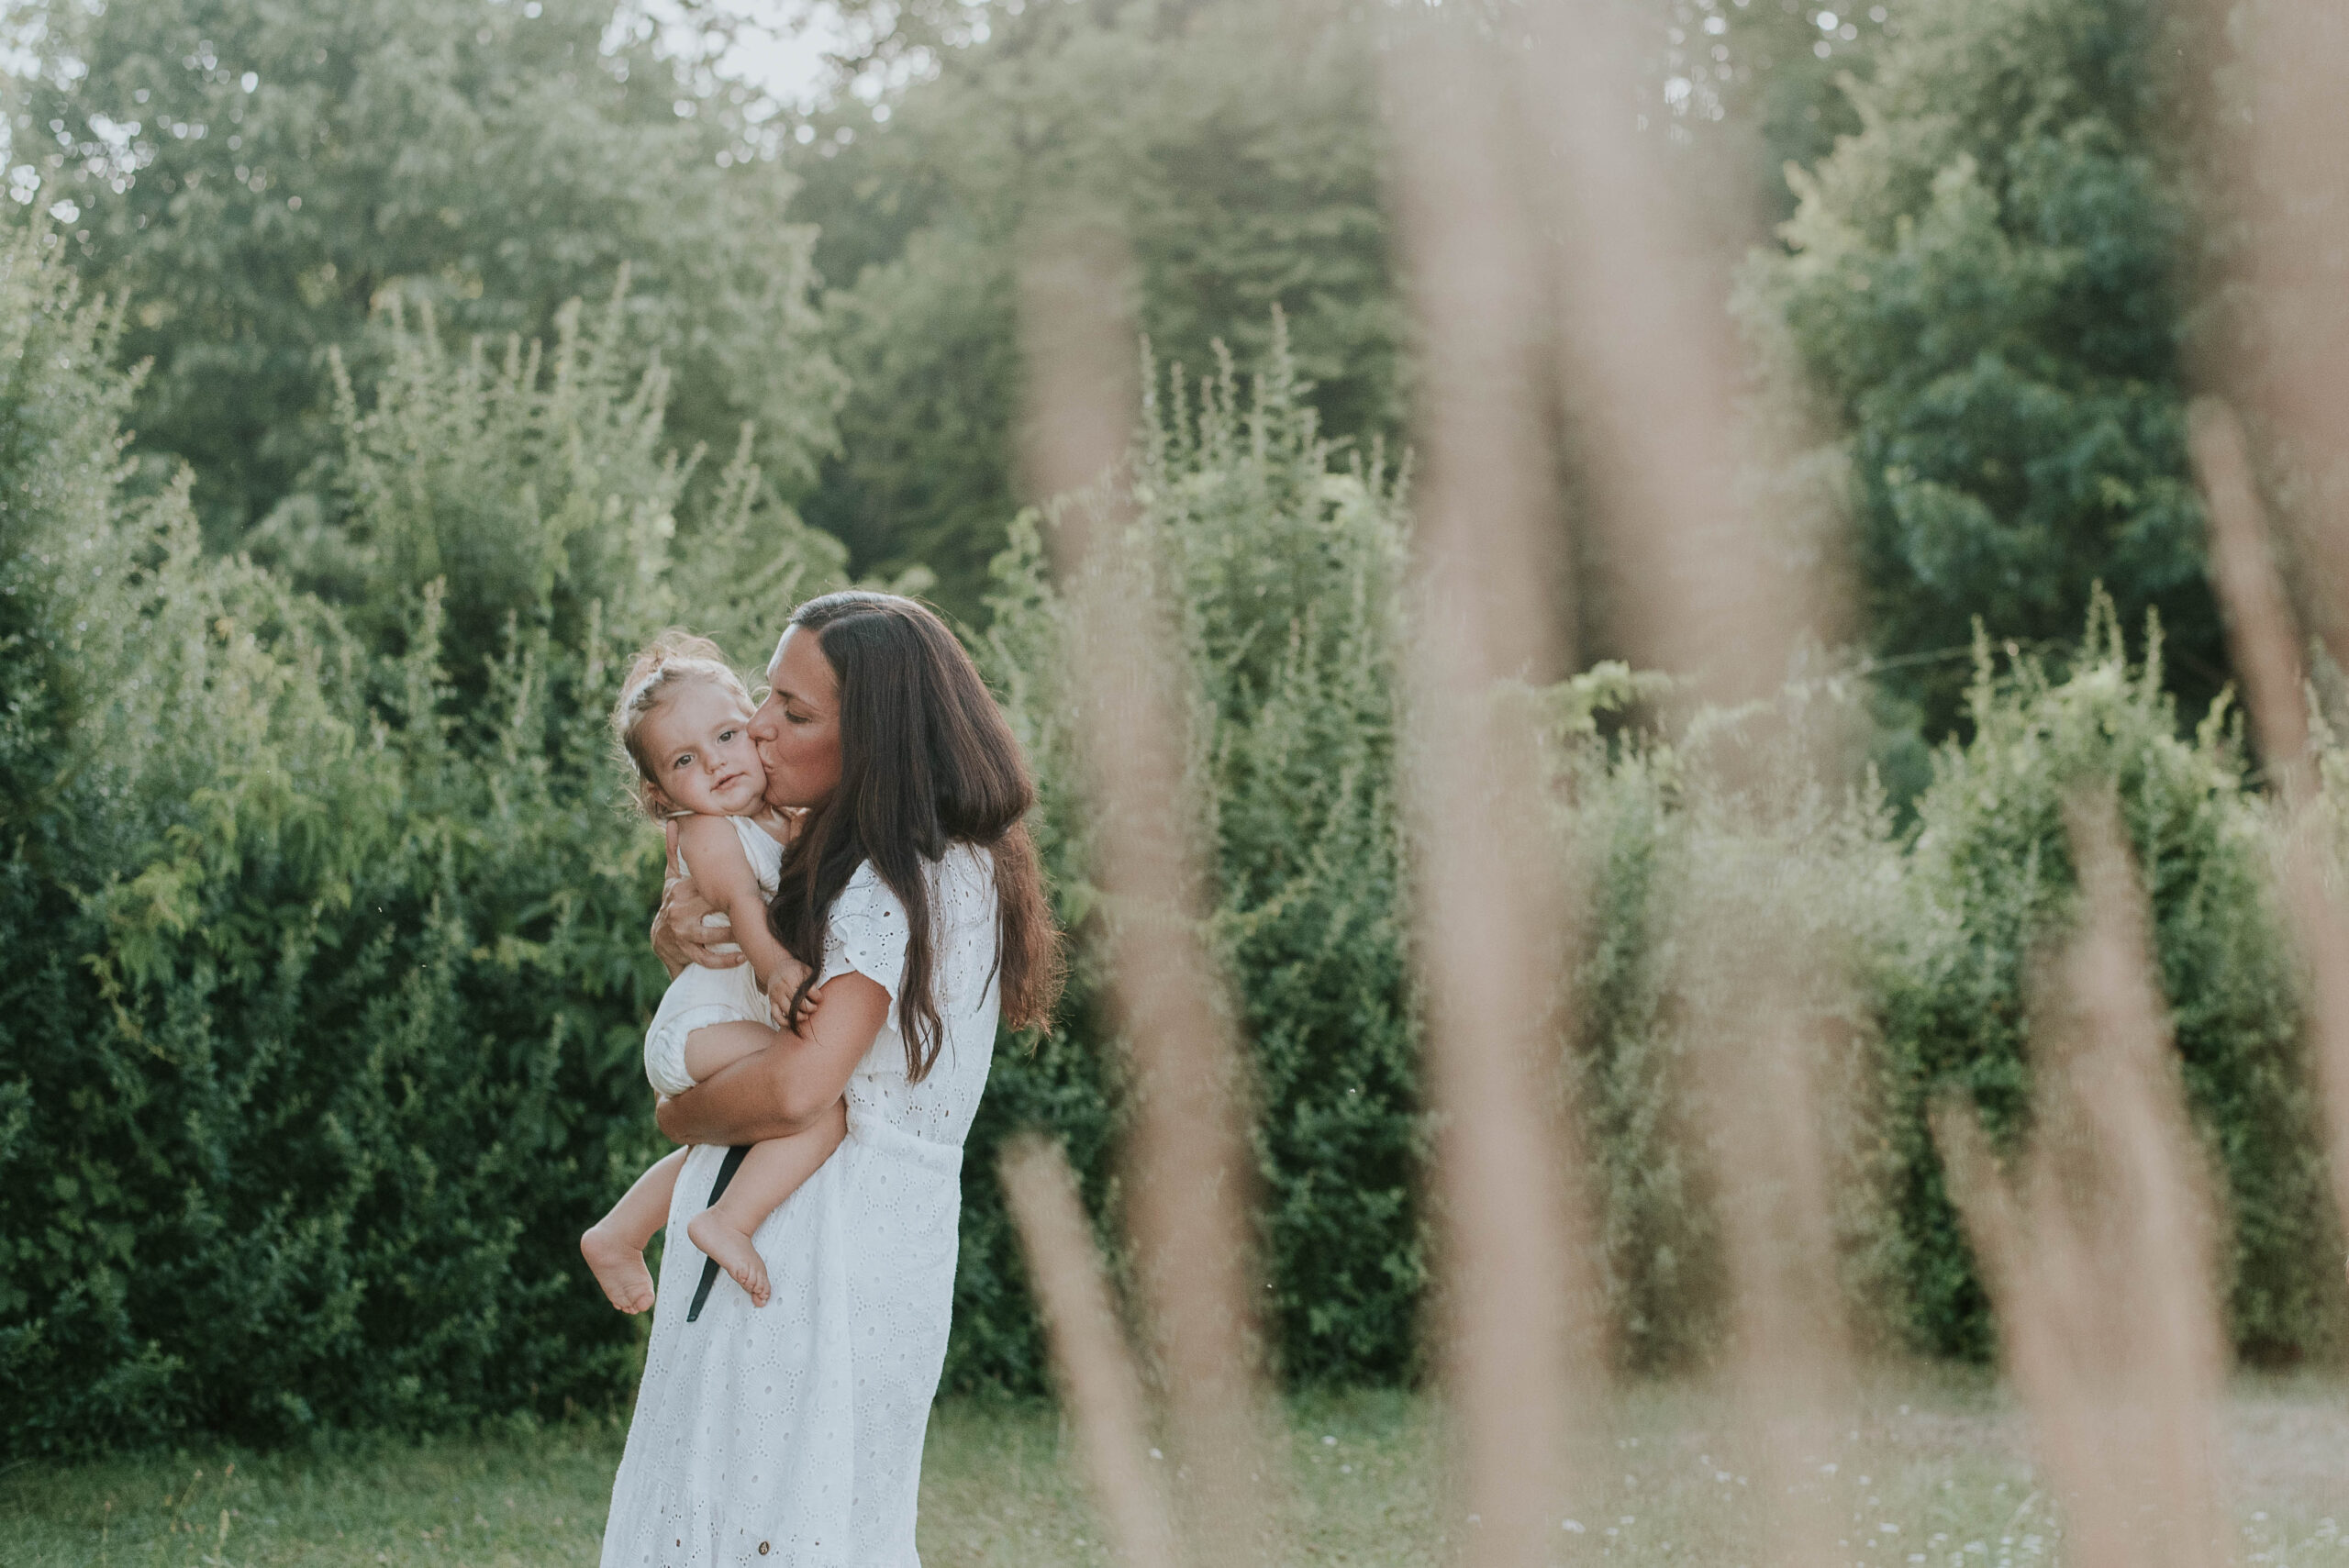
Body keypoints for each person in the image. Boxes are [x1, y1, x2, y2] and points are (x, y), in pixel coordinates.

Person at [599, 591, 1061, 1568]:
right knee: (799, 1515)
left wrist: (678, 1113)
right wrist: (676, 925)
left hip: (820, 1242)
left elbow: (799, 1087)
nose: (760, 726)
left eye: (794, 711)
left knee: (779, 1516)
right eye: (766, 696)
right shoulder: (899, 854)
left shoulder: (900, 876)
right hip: (827, 1229)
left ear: (877, 738)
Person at [579, 632, 846, 1318]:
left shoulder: (786, 820)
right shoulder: (705, 829)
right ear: (660, 792)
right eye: (685, 760)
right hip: (700, 1027)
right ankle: (728, 1220)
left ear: (754, 724)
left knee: (763, 1120)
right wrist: (777, 967)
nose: (717, 762)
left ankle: (621, 1231)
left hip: (715, 1027)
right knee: (821, 1104)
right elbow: (741, 903)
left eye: (727, 736)